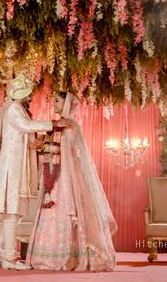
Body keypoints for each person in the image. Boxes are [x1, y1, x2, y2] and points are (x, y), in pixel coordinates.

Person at [0, 75, 71, 270]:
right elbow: (26, 127)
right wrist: (54, 123)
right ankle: (9, 258)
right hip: (13, 168)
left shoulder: (16, 109)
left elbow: (25, 132)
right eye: (28, 94)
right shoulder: (14, 109)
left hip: (17, 166)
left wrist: (39, 141)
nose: (30, 97)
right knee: (13, 211)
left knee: (15, 212)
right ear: (21, 94)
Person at [25, 92, 118, 271]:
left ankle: (71, 257)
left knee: (66, 208)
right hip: (54, 177)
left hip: (67, 178)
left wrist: (49, 147)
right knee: (51, 208)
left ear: (67, 104)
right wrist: (41, 146)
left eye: (57, 101)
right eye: (53, 100)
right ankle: (47, 257)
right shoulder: (56, 126)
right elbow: (53, 149)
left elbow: (72, 153)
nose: (54, 103)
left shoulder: (71, 126)